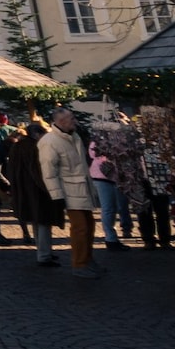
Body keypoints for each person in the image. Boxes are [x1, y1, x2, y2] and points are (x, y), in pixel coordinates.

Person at [39, 108, 102, 278]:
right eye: (71, 118)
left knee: (89, 226)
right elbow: (49, 171)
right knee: (80, 228)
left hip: (81, 187)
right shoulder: (49, 141)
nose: (74, 120)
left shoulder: (74, 136)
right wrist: (57, 196)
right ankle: (79, 264)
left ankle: (87, 259)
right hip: (69, 189)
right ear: (61, 122)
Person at [7, 120, 61, 265]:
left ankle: (43, 252)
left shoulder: (17, 147)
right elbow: (38, 172)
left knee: (37, 222)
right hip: (36, 192)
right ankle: (44, 255)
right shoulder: (35, 148)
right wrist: (50, 189)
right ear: (37, 134)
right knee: (43, 221)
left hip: (24, 190)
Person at [89, 137, 129, 251]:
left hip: (115, 176)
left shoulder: (119, 139)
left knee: (114, 207)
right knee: (108, 208)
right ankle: (110, 238)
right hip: (102, 176)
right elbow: (94, 154)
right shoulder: (98, 140)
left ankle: (112, 237)